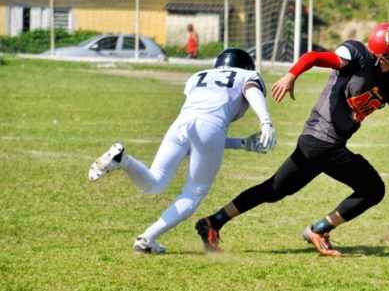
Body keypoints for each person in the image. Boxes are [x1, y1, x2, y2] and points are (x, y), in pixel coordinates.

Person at [194, 22, 389, 257]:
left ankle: (213, 222)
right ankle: (318, 230)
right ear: (385, 53)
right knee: (373, 189)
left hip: (322, 144)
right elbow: (315, 57)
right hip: (322, 142)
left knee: (274, 189)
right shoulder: (356, 57)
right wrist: (291, 75)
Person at [87, 48, 275, 254]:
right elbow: (249, 90)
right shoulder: (247, 75)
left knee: (154, 183)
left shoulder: (198, 76)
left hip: (180, 124)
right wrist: (265, 121)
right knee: (194, 192)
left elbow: (202, 135)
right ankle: (146, 239)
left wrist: (240, 144)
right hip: (209, 127)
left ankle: (123, 161)